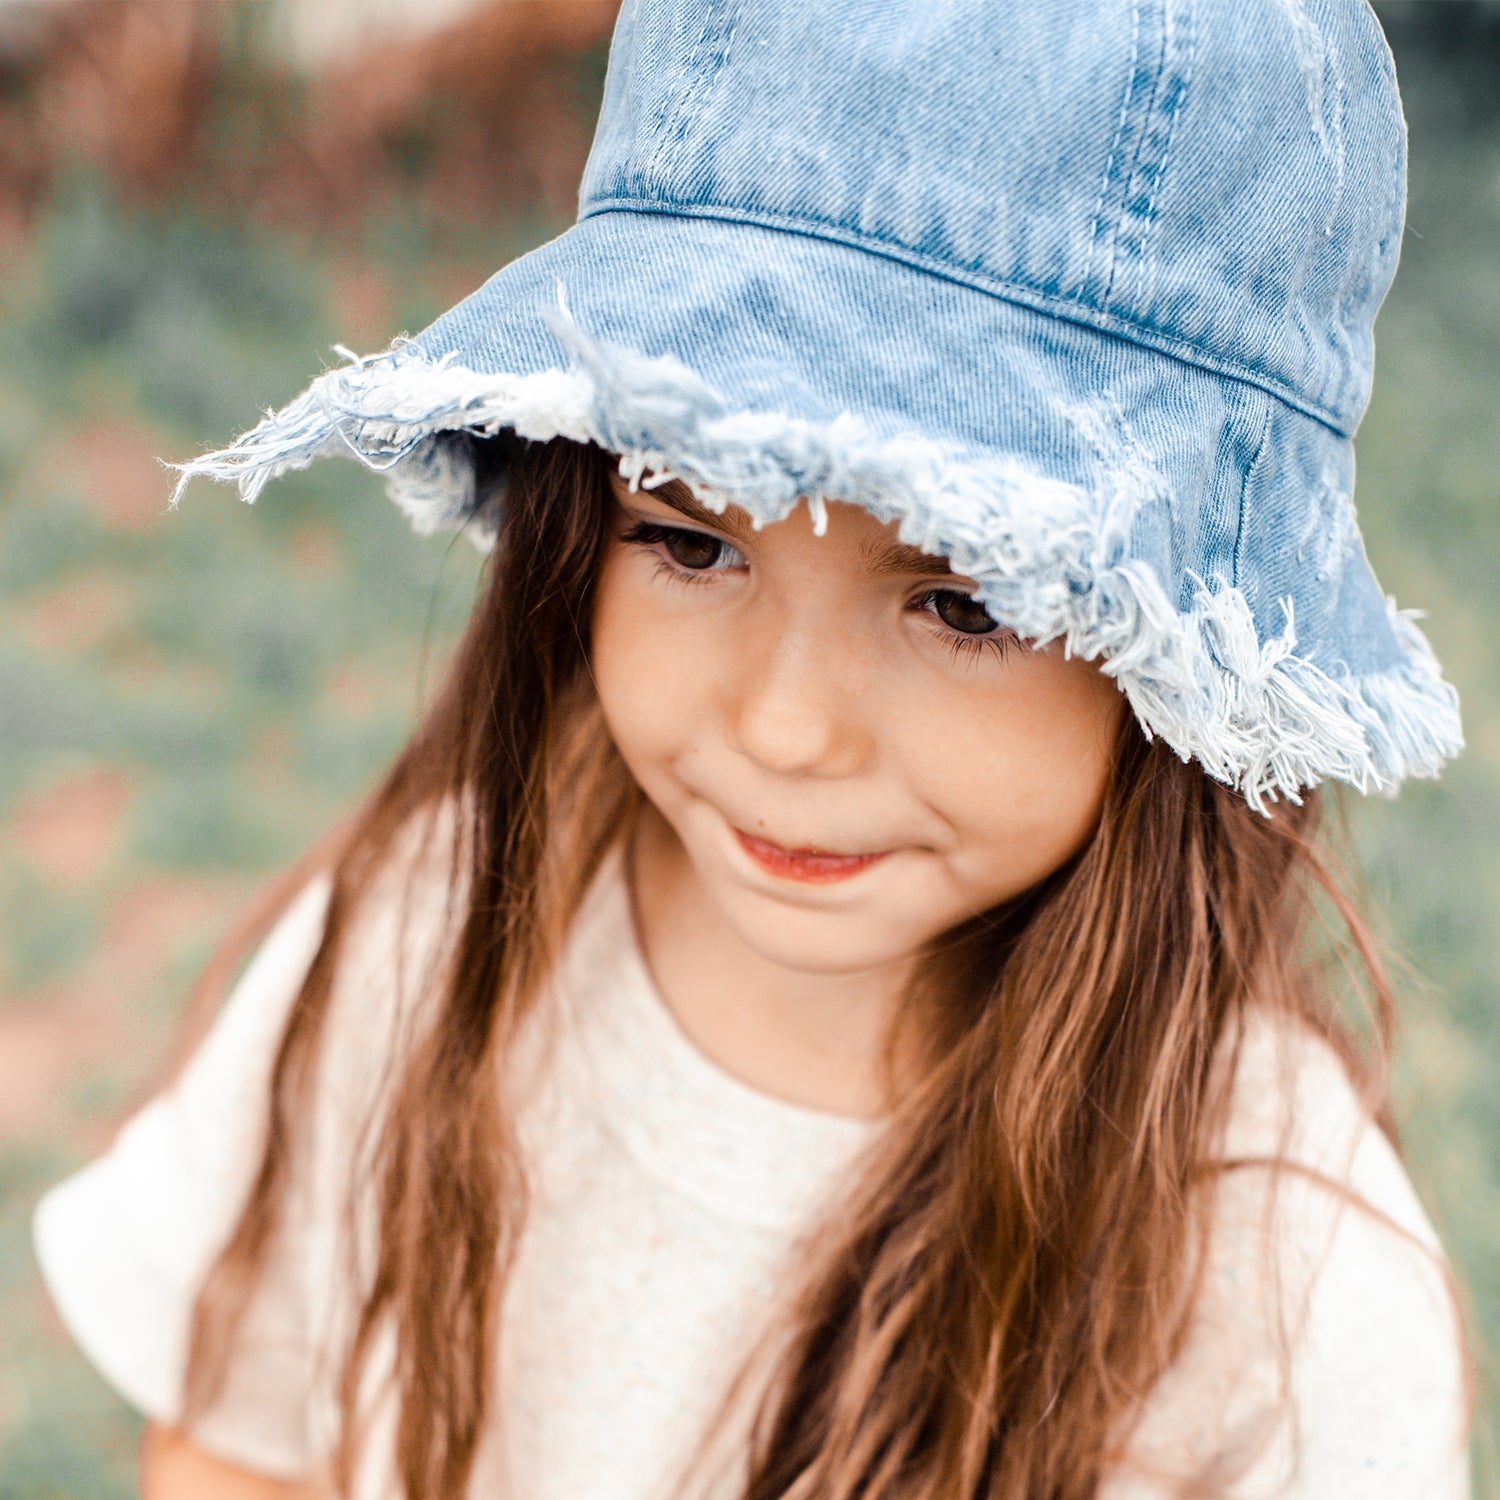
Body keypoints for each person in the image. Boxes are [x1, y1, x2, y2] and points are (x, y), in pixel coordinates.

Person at [32, 0, 1473, 1496]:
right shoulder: (430, 933)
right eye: (688, 538)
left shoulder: (1288, 1281)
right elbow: (237, 1445)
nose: (783, 727)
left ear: (1189, 647)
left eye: (966, 601)